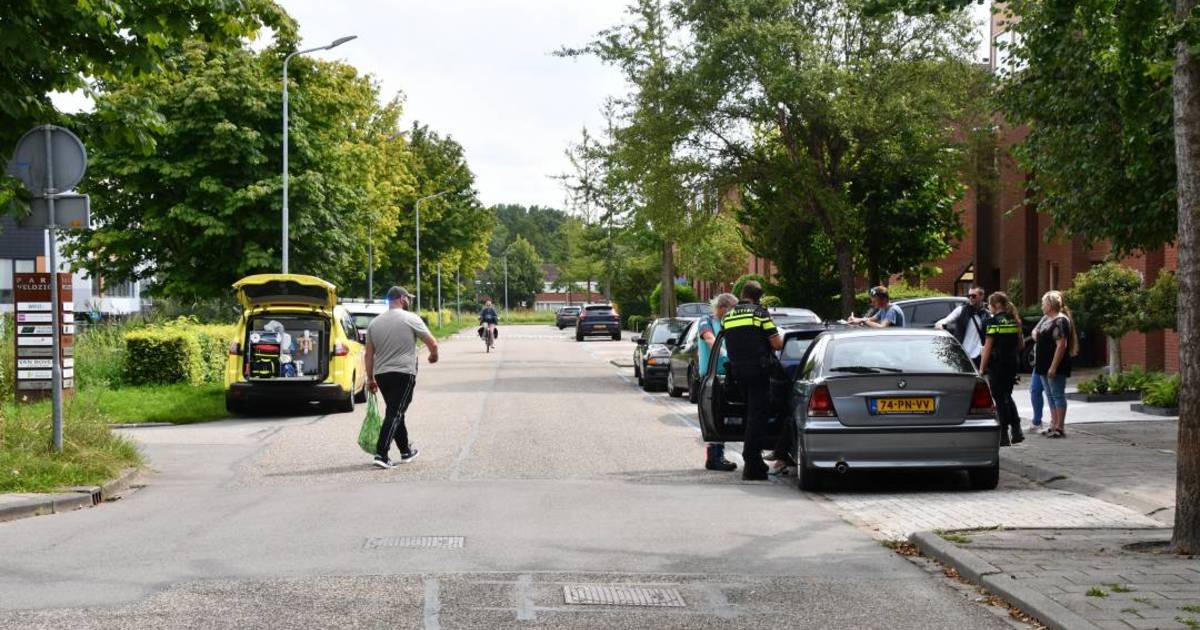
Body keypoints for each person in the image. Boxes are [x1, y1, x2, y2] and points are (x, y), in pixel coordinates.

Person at [365, 286, 439, 469]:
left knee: (396, 411)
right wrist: (433, 355)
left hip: (382, 375)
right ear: (402, 298)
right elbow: (432, 343)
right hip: (404, 373)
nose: (409, 300)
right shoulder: (411, 318)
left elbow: (368, 355)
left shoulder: (374, 323)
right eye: (408, 297)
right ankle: (381, 454)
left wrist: (370, 378)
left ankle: (406, 450)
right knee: (395, 412)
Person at [721, 281, 783, 481]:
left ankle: (754, 460)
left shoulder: (728, 316)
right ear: (758, 297)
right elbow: (777, 343)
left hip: (738, 373)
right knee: (758, 416)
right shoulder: (759, 314)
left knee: (750, 415)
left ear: (742, 294)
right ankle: (752, 463)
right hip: (759, 371)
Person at [697, 293, 739, 472]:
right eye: (731, 309)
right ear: (722, 308)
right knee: (713, 413)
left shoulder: (729, 322)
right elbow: (709, 338)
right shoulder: (706, 321)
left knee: (721, 414)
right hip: (711, 375)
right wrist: (723, 354)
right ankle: (714, 458)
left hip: (727, 374)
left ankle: (717, 455)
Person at [978, 292, 1025, 446]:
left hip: (997, 365)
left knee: (999, 399)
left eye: (990, 304)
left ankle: (1003, 435)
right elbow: (1021, 345)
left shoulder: (992, 322)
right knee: (1007, 396)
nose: (989, 307)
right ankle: (1017, 430)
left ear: (996, 305)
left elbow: (988, 347)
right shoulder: (1014, 320)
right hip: (1011, 364)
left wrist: (981, 369)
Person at [1032, 290, 1077, 439]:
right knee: (1050, 394)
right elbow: (1035, 332)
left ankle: (1060, 427)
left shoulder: (1060, 320)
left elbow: (1061, 345)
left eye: (1044, 303)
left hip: (1054, 364)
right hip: (1043, 364)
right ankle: (1053, 424)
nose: (1042, 306)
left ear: (1050, 305)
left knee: (1057, 394)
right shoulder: (1046, 319)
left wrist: (1053, 366)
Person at [935, 287, 987, 368]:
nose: (970, 298)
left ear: (981, 296)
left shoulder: (986, 314)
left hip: (979, 356)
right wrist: (940, 324)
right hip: (963, 355)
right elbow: (945, 320)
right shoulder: (962, 310)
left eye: (973, 296)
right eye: (968, 295)